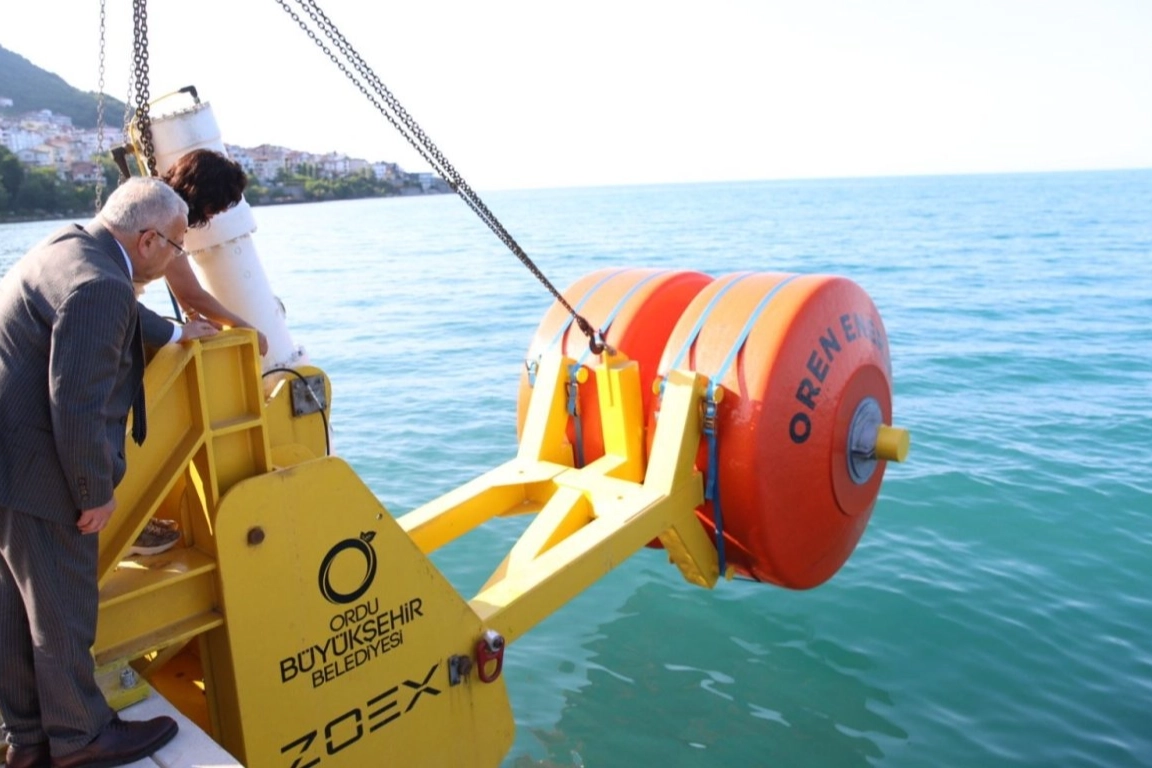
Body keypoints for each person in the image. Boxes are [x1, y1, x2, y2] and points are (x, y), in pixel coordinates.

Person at [0, 178, 187, 768]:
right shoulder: (102, 285)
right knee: (62, 613)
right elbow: (76, 402)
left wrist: (178, 331)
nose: (177, 257)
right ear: (149, 239)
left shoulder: (67, 246)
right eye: (177, 245)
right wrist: (94, 491)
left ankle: (27, 740)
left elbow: (109, 313)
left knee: (14, 610)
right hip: (38, 473)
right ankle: (80, 738)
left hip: (7, 461)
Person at [140, 149, 268, 356]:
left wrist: (193, 315)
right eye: (215, 207)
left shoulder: (155, 198)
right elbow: (191, 293)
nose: (216, 214)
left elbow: (175, 274)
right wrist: (248, 330)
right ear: (203, 194)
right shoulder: (168, 215)